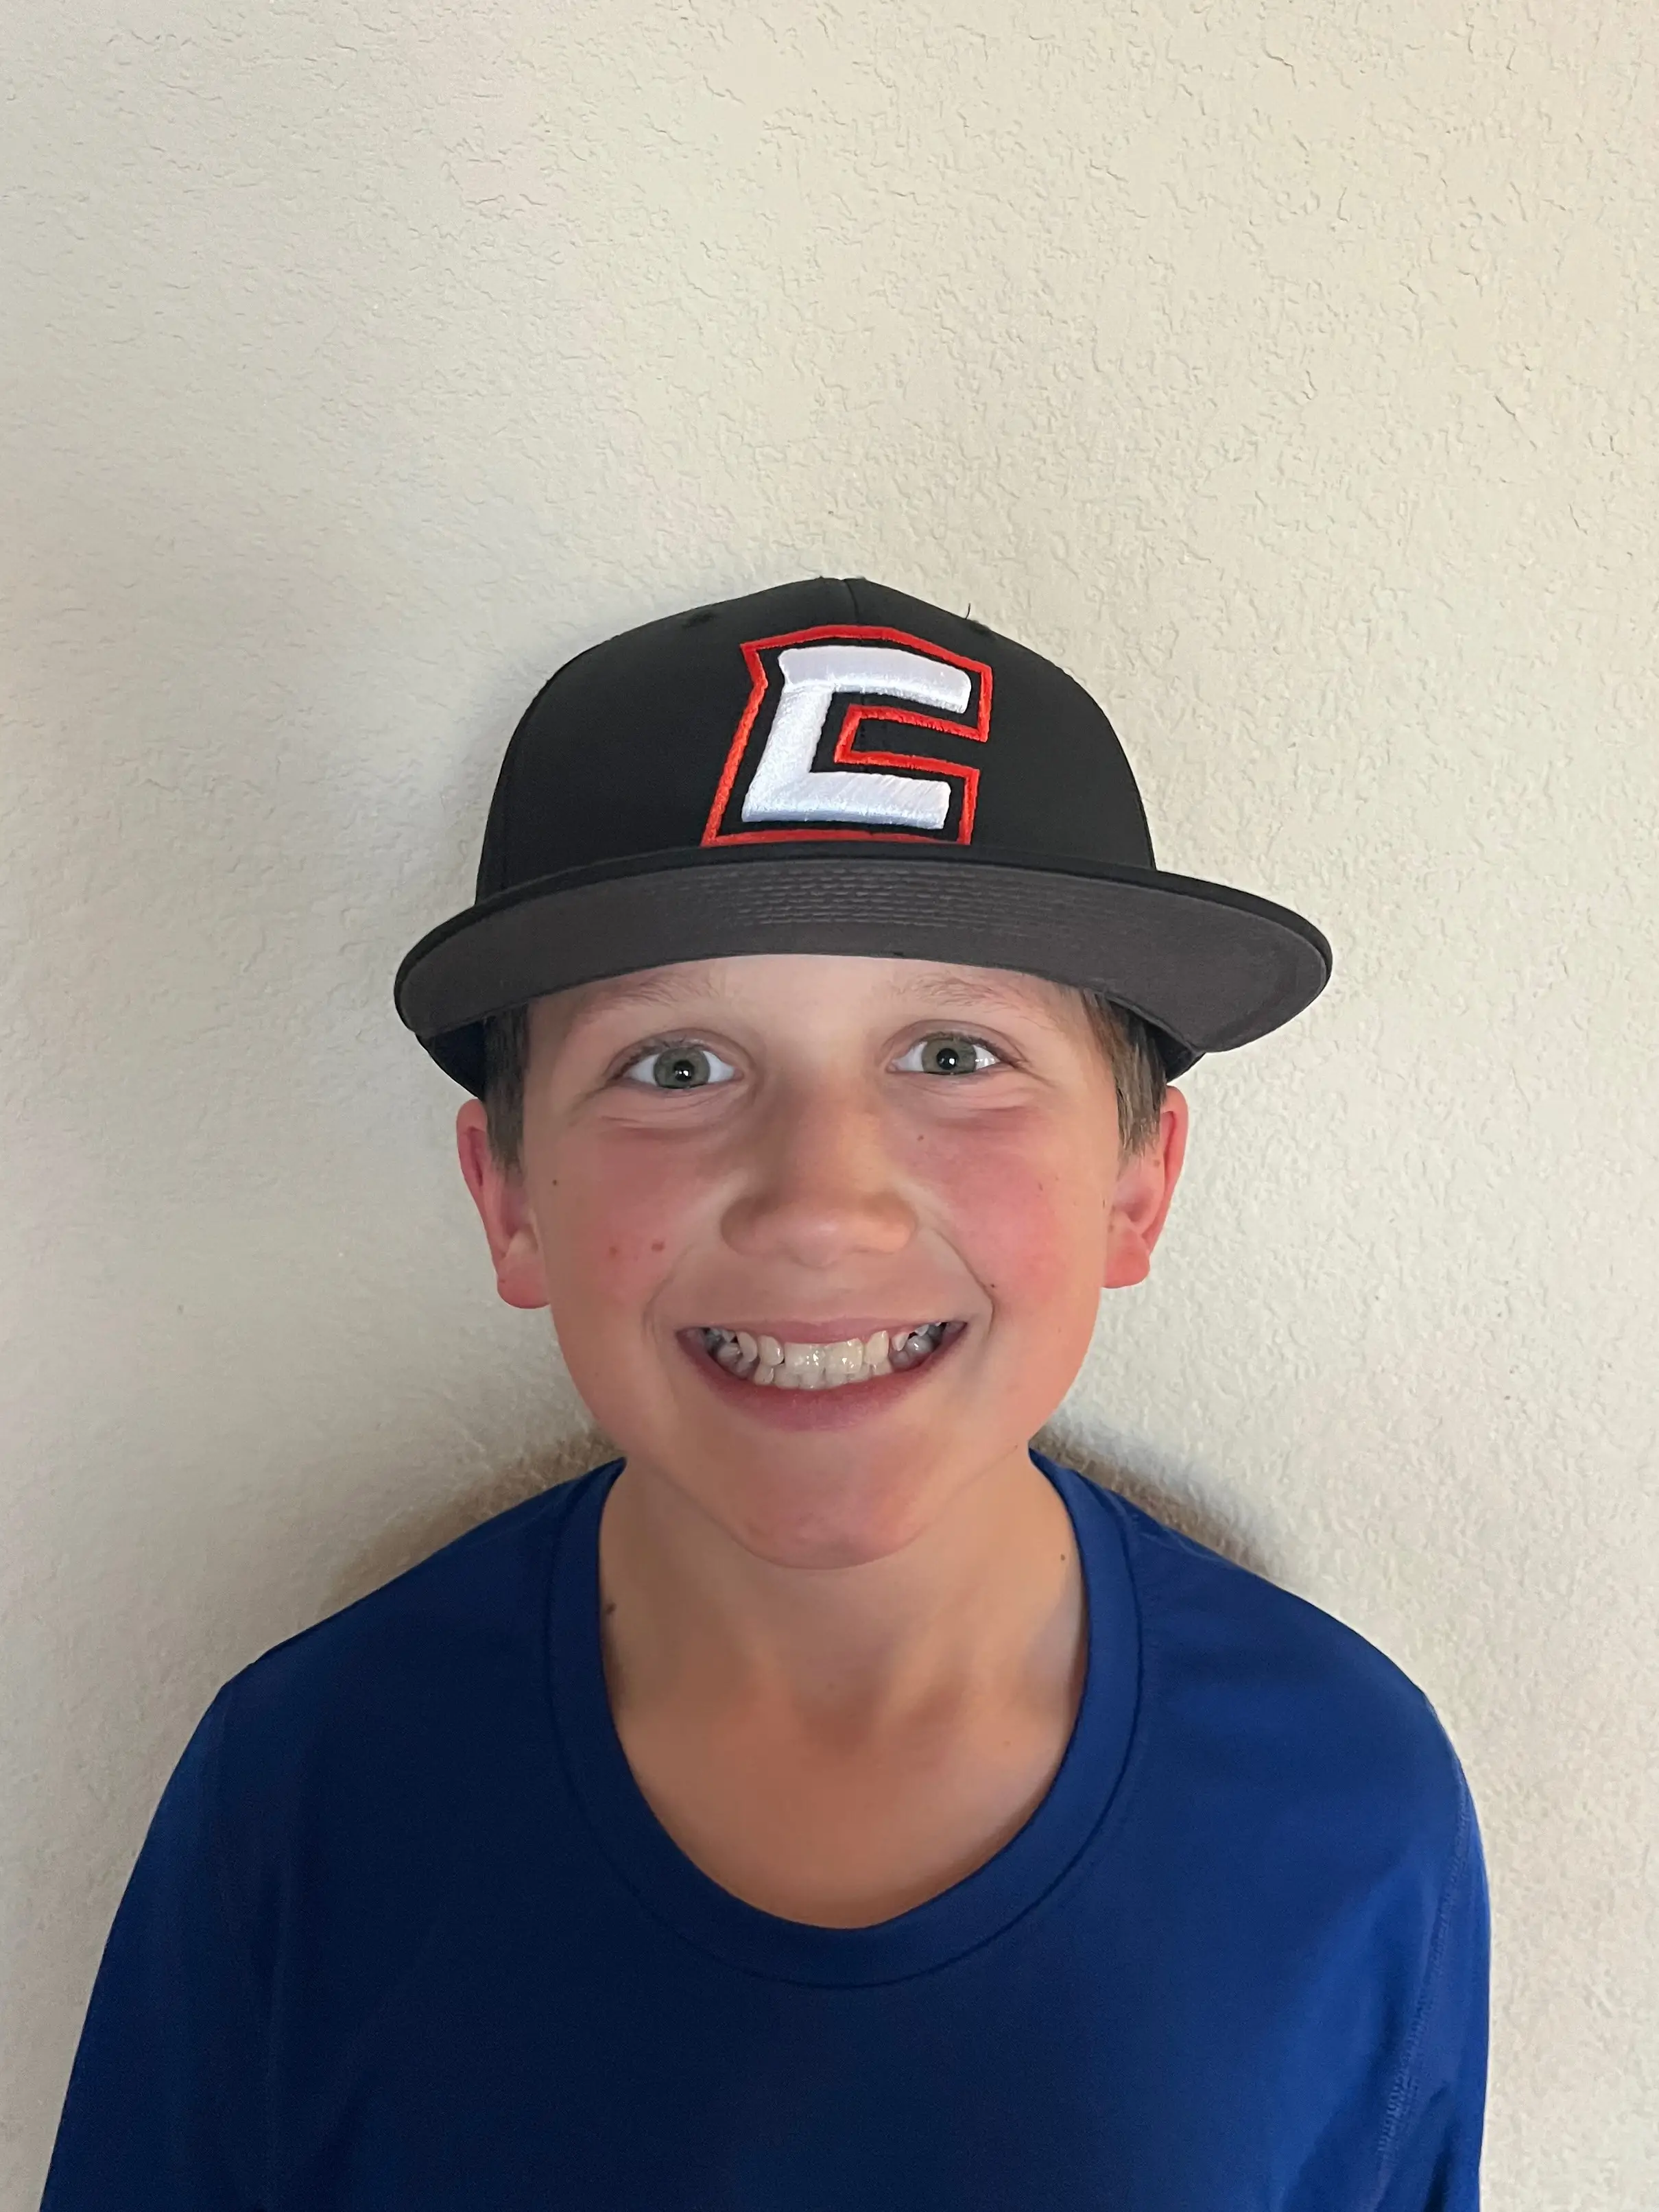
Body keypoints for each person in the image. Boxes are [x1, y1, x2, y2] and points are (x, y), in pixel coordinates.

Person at [41, 577, 1489, 2208]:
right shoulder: (308, 1787)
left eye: (954, 1055)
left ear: (1137, 1184)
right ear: (508, 1197)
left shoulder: (1345, 1795)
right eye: (677, 1067)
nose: (821, 1205)